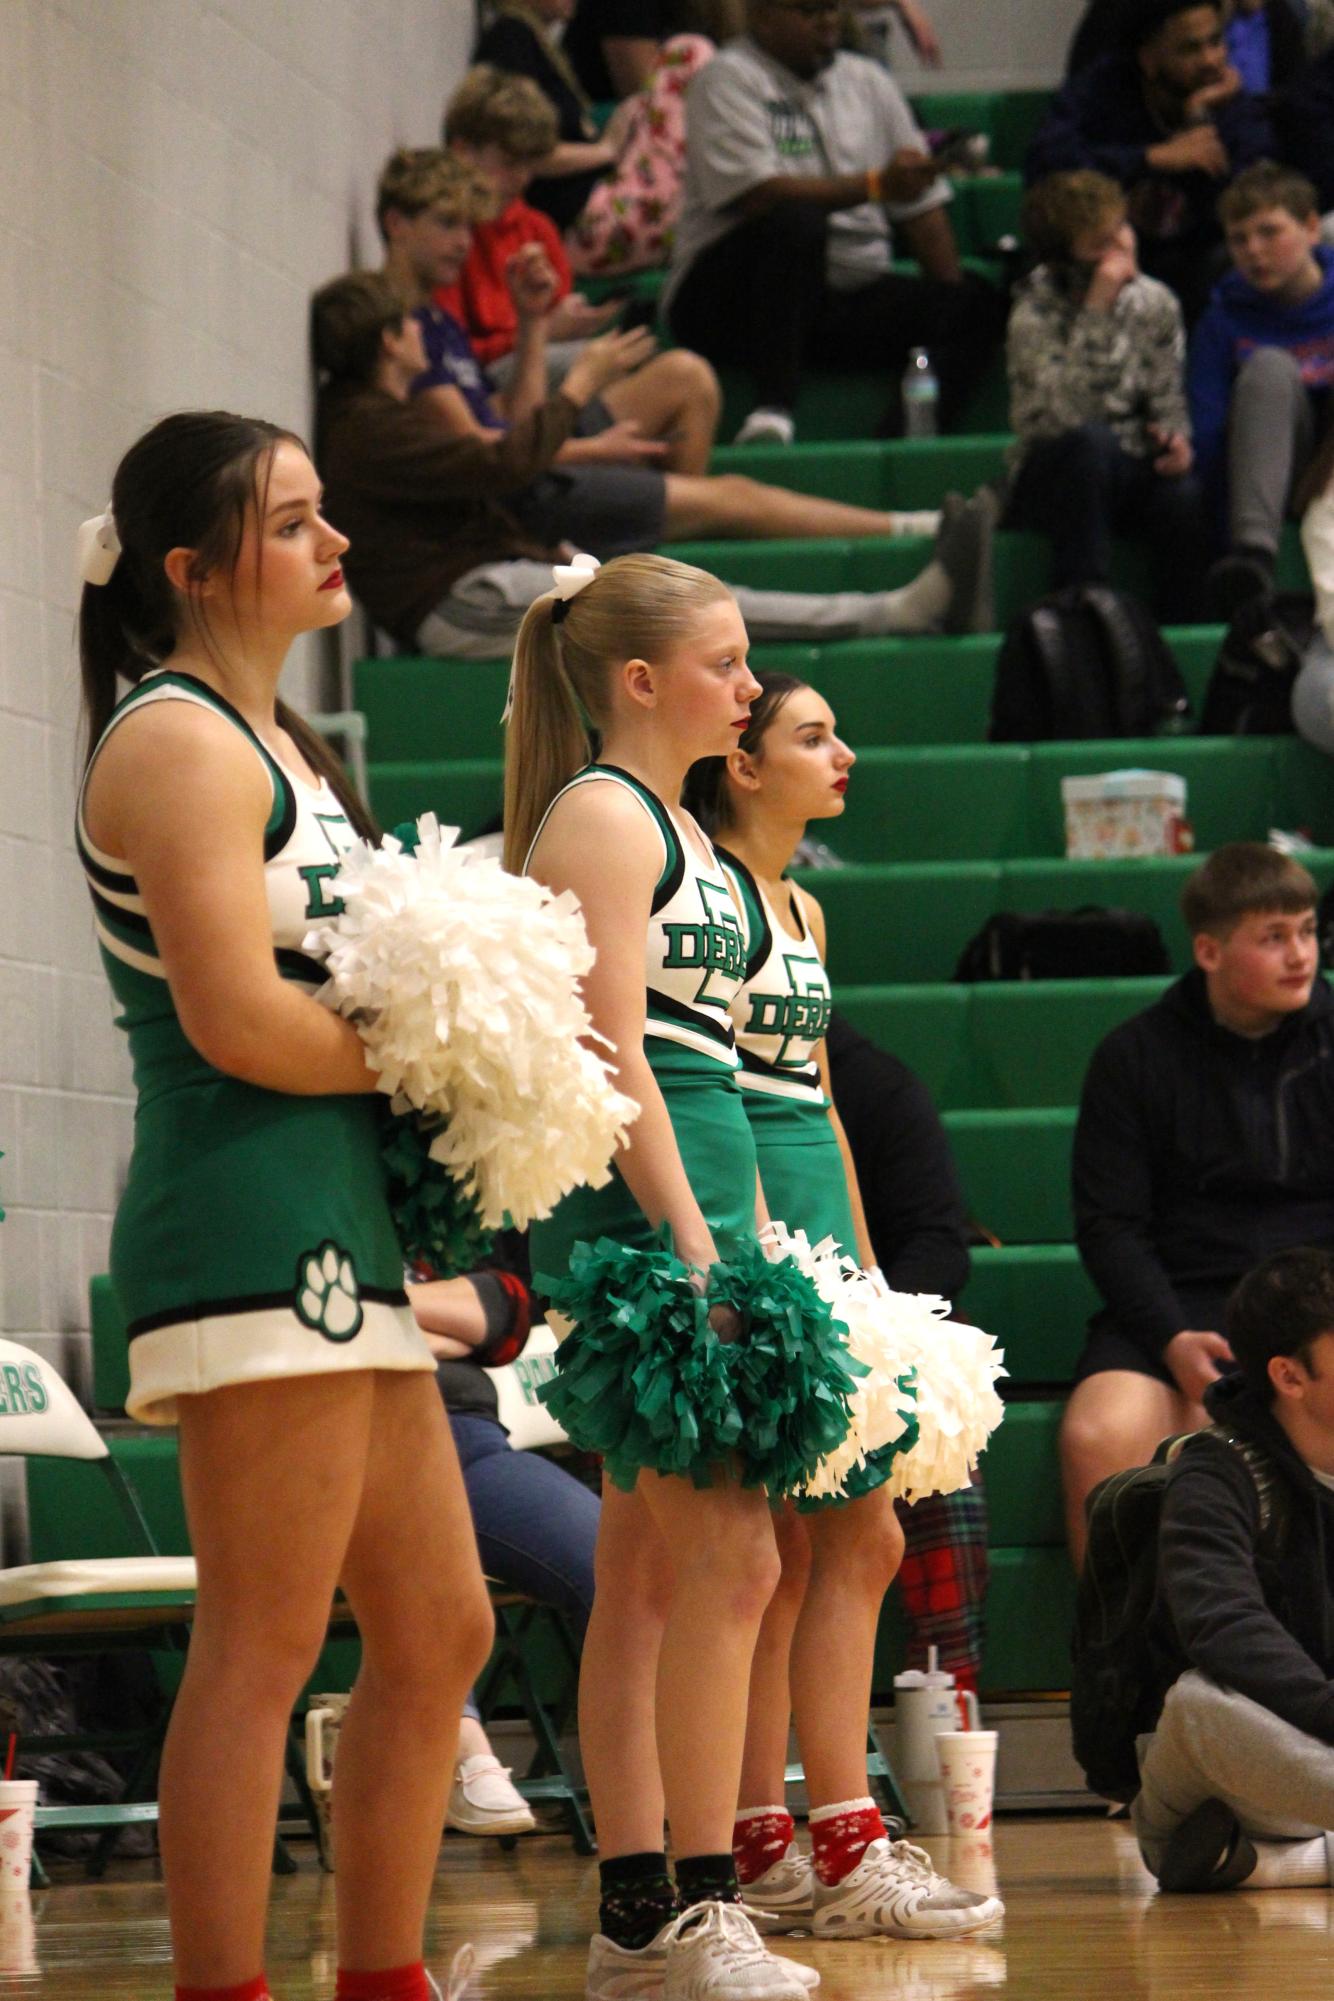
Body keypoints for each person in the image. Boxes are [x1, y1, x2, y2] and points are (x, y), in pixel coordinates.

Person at [74, 413, 493, 2001]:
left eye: (329, 513)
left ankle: (380, 1973)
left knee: (440, 1629)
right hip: (246, 1215)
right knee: (264, 1643)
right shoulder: (173, 739)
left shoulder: (284, 741)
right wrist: (438, 1064)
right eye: (294, 521)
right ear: (193, 571)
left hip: (335, 1220)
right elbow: (234, 1021)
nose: (333, 542)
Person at [506, 552, 820, 1999]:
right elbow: (612, 1050)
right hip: (645, 1226)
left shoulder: (682, 831)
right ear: (640, 681)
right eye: (727, 662)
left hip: (705, 1211)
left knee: (644, 1573)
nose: (748, 686)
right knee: (728, 1556)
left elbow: (729, 1071)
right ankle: (693, 1899)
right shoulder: (599, 816)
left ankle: (642, 1909)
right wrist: (694, 1243)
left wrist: (743, 1236)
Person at [683, 673, 1003, 1940]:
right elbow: (712, 1094)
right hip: (758, 1234)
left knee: (831, 1546)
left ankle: (781, 1835)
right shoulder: (702, 891)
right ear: (745, 766)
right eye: (811, 736)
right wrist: (764, 1258)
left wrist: (870, 1290)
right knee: (806, 1548)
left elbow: (817, 1106)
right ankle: (815, 1833)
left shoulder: (800, 902)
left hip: (823, 1231)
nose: (842, 753)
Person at [311, 267, 995, 659]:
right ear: (386, 340)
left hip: (478, 582)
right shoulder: (367, 428)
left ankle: (894, 610)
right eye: (406, 325)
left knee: (686, 606)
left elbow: (471, 499)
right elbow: (500, 466)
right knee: (685, 616)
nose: (418, 333)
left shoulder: (373, 420)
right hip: (456, 603)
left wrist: (544, 548)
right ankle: (893, 613)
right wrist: (581, 382)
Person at [1059, 841, 1334, 1569]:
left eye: (1307, 931)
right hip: (1181, 1304)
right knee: (1098, 1433)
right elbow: (1110, 1226)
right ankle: (1122, 1673)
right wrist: (1171, 1337)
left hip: (1319, 1303)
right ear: (1209, 950)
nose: (1300, 955)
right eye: (1273, 937)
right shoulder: (1133, 1056)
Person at [664, 0, 1006, 444]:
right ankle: (773, 410)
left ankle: (901, 444)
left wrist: (948, 301)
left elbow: (920, 210)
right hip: (732, 300)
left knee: (977, 303)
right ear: (764, 17)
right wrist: (875, 186)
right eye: (809, 10)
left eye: (832, 8)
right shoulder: (726, 79)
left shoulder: (869, 83)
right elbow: (758, 196)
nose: (827, 21)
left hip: (837, 297)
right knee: (797, 221)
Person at [1133, 1247, 1334, 1894]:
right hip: (1240, 1768)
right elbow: (1222, 1623)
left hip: (1313, 1792)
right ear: (1290, 1375)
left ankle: (1278, 1867)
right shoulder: (1218, 1468)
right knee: (1200, 1703)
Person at [825, 1010, 990, 1694]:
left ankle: (943, 1705)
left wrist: (874, 1328)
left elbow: (940, 1241)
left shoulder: (878, 1087)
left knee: (940, 1448)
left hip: (873, 1338)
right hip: (748, 1339)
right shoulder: (691, 1079)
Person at [406, 1259, 600, 1839]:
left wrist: (379, 1317)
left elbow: (508, 1309)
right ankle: (462, 1747)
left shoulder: (428, 1216)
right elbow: (311, 1333)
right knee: (411, 1525)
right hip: (356, 1441)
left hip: (475, 1440)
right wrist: (448, 1328)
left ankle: (663, 1778)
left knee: (621, 1571)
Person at [1004, 169, 1210, 621]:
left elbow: (1166, 394)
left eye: (1121, 229)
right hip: (1051, 471)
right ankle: (1085, 614)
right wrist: (1096, 312)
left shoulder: (1155, 302)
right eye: (1102, 244)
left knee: (1183, 496)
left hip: (1127, 462)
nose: (1122, 247)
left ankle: (1184, 632)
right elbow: (1062, 417)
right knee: (1090, 446)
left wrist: (1175, 439)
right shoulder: (1033, 314)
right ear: (1064, 259)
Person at [1027, 0, 1276, 324]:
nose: (1211, 60)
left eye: (1216, 43)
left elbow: (1255, 187)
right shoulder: (1103, 87)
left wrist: (1198, 116)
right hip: (1109, 252)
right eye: (1190, 49)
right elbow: (1045, 164)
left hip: (1195, 259)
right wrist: (1151, 157)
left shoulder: (1225, 100)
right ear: (1149, 59)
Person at [1188, 160, 1334, 612]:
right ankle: (1252, 559)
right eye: (1239, 239)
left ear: (1311, 228)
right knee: (1270, 367)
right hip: (1266, 475)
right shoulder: (1222, 319)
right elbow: (1208, 431)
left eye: (1269, 232)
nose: (1254, 251)